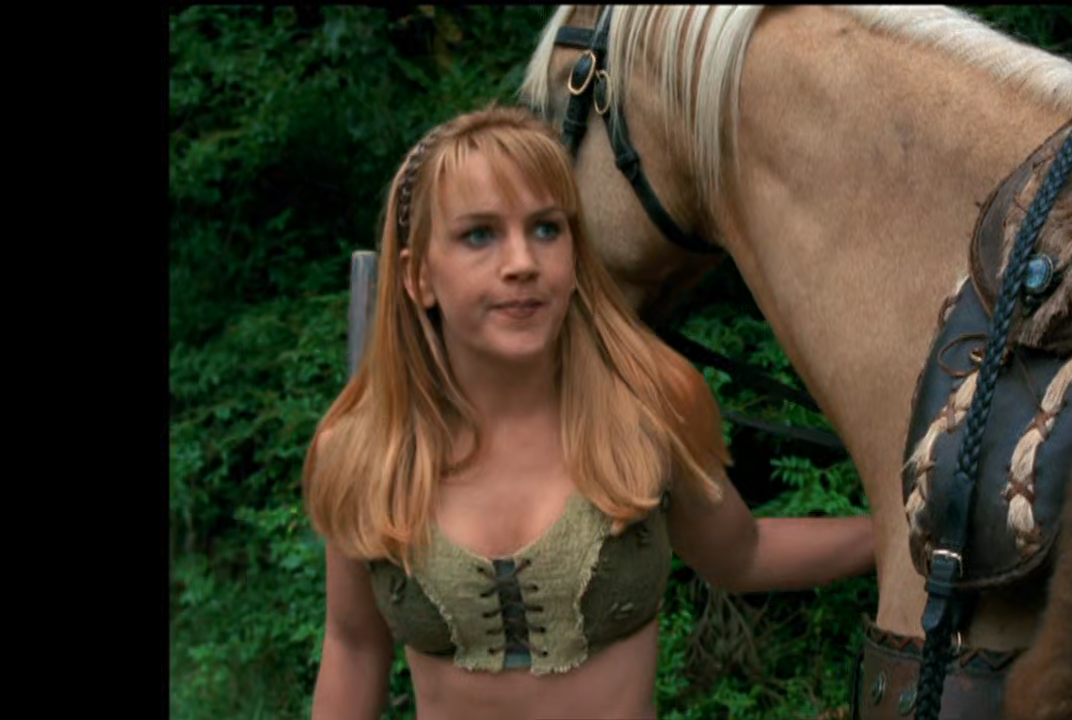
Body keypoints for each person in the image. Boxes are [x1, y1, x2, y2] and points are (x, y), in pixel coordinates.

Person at [302, 104, 876, 720]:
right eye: (480, 235)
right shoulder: (365, 452)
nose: (522, 262)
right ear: (418, 277)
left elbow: (744, 553)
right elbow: (354, 646)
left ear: (575, 257)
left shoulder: (647, 408)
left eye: (546, 229)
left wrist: (898, 538)